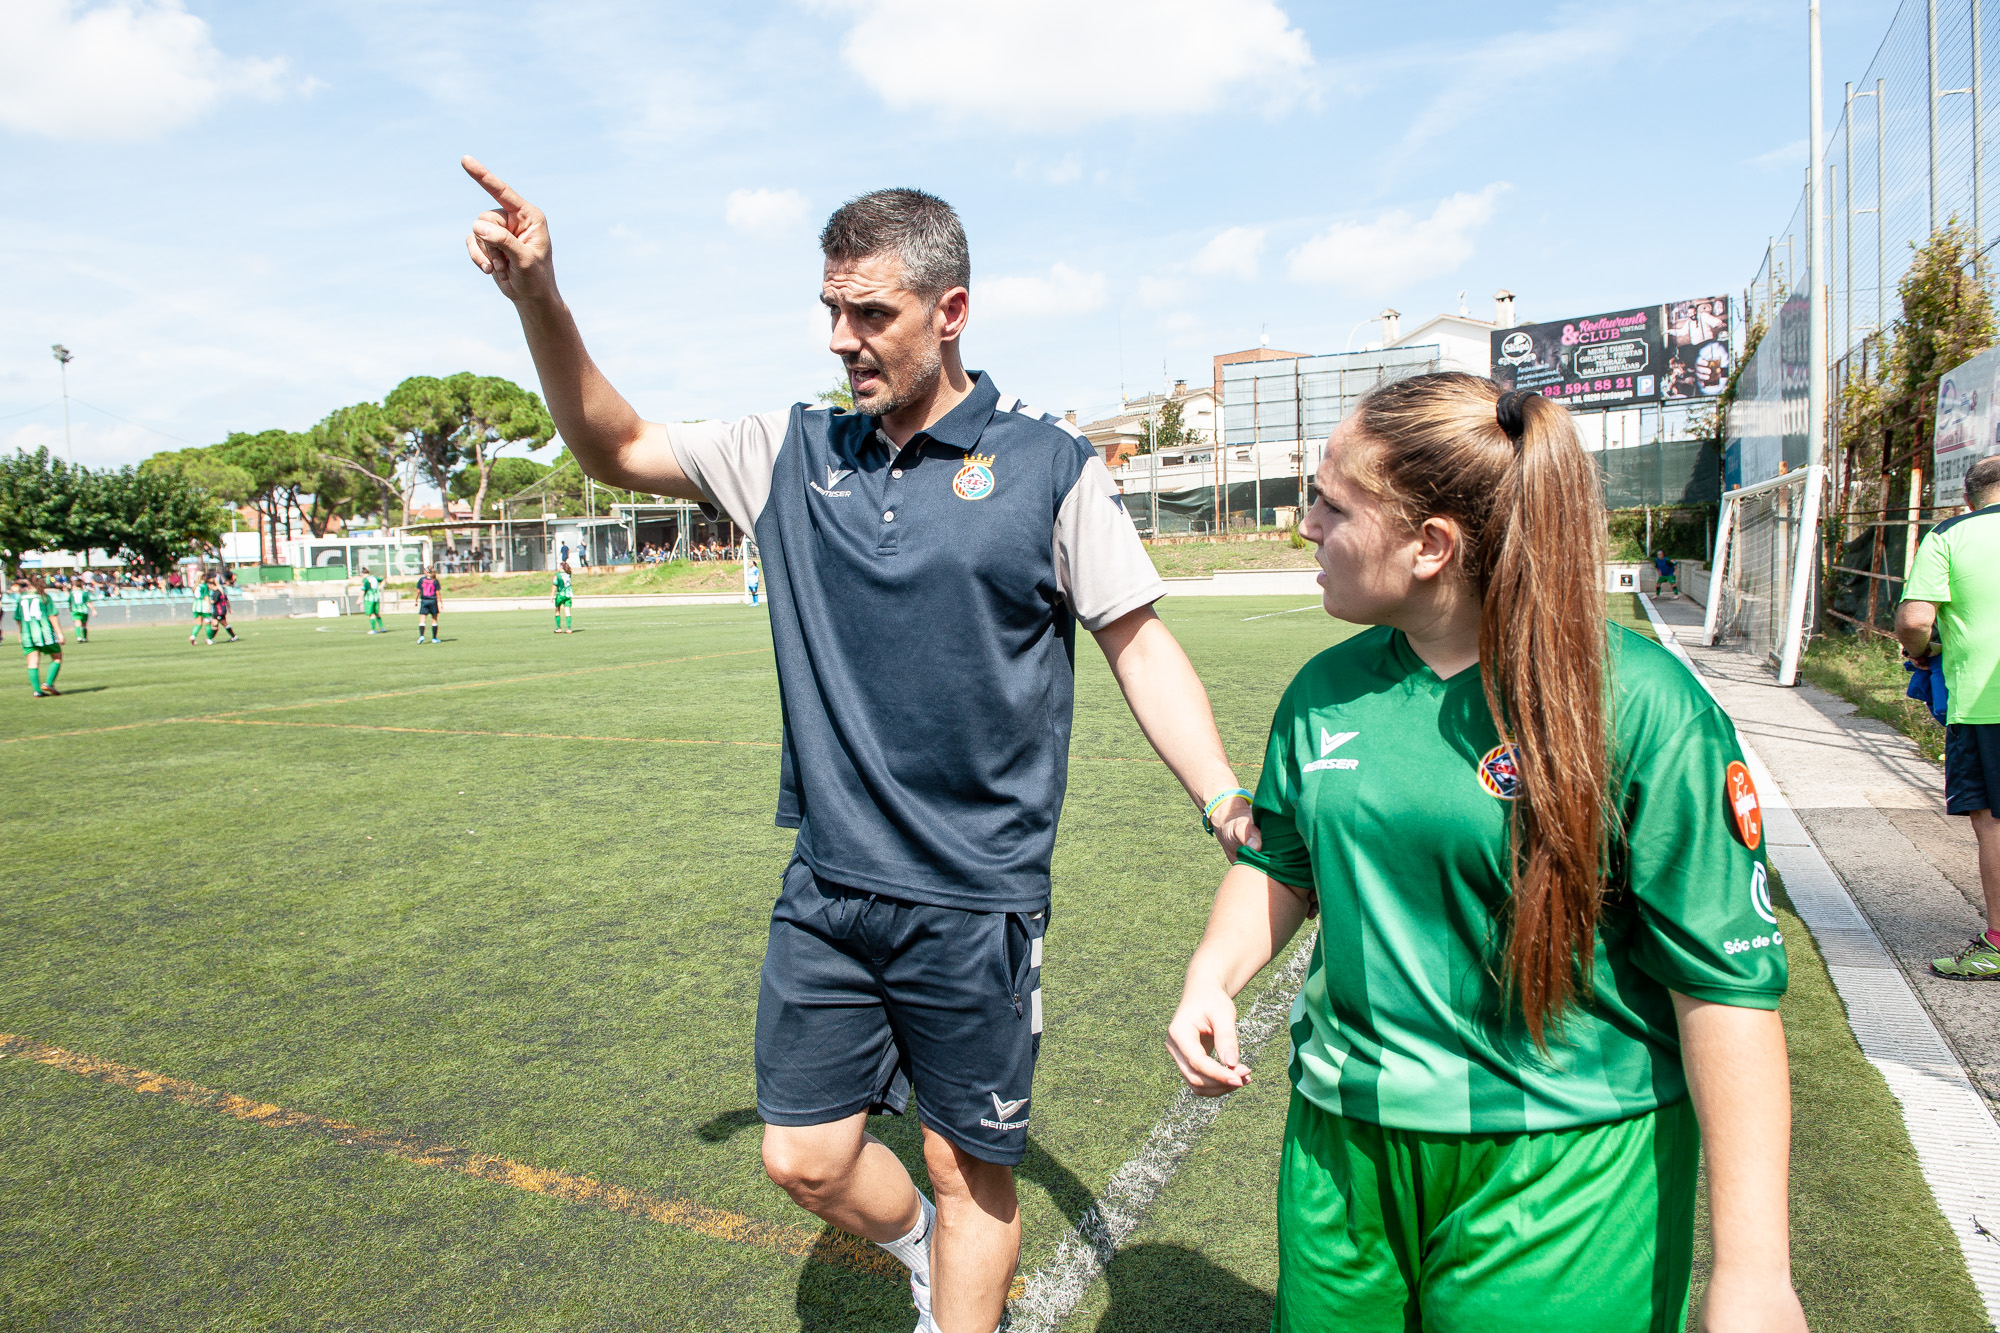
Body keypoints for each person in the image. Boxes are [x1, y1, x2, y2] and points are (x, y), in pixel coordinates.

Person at [465, 162, 1257, 1333]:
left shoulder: (1048, 467)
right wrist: (540, 297)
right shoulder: (789, 452)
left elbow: (1136, 643)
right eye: (831, 312)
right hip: (829, 885)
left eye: (870, 314)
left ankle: (957, 1303)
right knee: (804, 1157)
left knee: (961, 1165)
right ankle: (930, 1255)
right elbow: (609, 445)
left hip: (974, 895)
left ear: (952, 312)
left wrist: (1222, 796)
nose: (842, 340)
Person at [1166, 375, 1802, 1332]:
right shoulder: (1323, 690)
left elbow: (1723, 989)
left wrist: (1754, 1269)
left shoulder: (1645, 707)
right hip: (1343, 1153)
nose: (1305, 527)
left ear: (1431, 547)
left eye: (1331, 505)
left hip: (1564, 1163)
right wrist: (1213, 975)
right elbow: (1282, 860)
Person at [1902, 454, 2000, 979]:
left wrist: (1923, 651)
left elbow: (1915, 619)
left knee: (1994, 823)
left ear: (1969, 498)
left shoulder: (1950, 535)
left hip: (1988, 706)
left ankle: (1999, 943)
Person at [15, 574, 65, 696]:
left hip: (27, 635)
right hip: (45, 634)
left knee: (32, 663)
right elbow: (52, 616)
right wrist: (59, 633)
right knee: (57, 657)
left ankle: (37, 691)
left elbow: (18, 618)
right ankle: (48, 683)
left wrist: (20, 633)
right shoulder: (44, 597)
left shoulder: (22, 598)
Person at [416, 566, 442, 644]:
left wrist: (416, 599)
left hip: (424, 601)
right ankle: (434, 638)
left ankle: (421, 635)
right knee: (434, 619)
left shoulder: (421, 580)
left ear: (425, 572)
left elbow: (418, 591)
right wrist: (441, 602)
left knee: (422, 619)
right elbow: (437, 593)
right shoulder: (435, 580)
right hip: (433, 601)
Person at [189, 569, 215, 644]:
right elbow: (206, 597)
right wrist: (208, 607)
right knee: (208, 623)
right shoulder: (204, 585)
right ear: (203, 577)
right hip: (203, 606)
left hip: (196, 606)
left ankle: (193, 636)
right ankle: (210, 639)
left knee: (198, 623)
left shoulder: (196, 585)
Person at [211, 576, 239, 642]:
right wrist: (229, 608)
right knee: (216, 624)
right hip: (221, 610)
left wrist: (206, 601)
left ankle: (234, 636)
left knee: (223, 623)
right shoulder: (221, 591)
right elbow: (227, 600)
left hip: (219, 611)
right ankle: (211, 638)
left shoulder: (217, 592)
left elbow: (214, 601)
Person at [66, 578, 93, 642]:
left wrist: (69, 608)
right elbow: (88, 602)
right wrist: (93, 610)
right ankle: (85, 638)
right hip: (84, 610)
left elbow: (69, 601)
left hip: (75, 610)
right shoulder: (84, 593)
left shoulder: (72, 593)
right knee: (84, 624)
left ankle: (79, 637)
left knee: (77, 623)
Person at [361, 566, 385, 634]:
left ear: (363, 574)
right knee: (377, 613)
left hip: (369, 599)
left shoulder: (365, 580)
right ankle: (382, 628)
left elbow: (363, 590)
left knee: (371, 614)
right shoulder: (374, 577)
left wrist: (359, 599)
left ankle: (373, 629)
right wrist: (380, 587)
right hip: (376, 598)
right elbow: (383, 580)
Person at [553, 561, 575, 633]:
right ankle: (569, 628)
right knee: (567, 611)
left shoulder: (557, 575)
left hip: (560, 594)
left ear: (561, 567)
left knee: (557, 610)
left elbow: (554, 585)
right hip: (568, 594)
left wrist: (551, 595)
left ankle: (558, 628)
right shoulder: (568, 574)